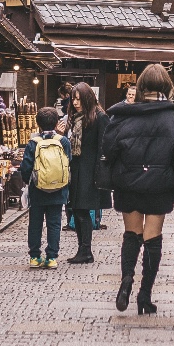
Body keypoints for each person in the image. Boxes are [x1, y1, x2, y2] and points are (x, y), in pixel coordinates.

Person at [98, 63, 174, 314]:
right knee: (152, 237)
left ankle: (126, 280)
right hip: (160, 185)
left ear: (141, 87)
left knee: (131, 234)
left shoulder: (122, 115)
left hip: (128, 183)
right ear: (167, 87)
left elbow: (109, 150)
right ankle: (145, 295)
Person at [9, 105, 71, 267]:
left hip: (37, 190)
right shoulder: (63, 141)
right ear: (57, 122)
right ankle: (51, 257)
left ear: (38, 124)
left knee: (35, 223)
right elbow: (69, 162)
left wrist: (28, 182)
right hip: (59, 189)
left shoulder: (33, 142)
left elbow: (26, 166)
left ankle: (35, 257)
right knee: (54, 223)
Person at [66, 83, 109, 264]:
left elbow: (103, 145)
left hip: (90, 169)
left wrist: (99, 172)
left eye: (79, 98)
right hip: (76, 167)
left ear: (87, 98)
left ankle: (86, 251)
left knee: (83, 209)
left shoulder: (99, 117)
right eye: (73, 98)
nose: (75, 102)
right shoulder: (74, 118)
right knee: (75, 209)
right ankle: (82, 249)